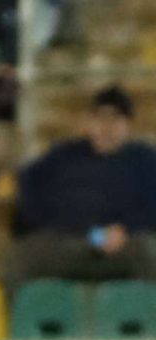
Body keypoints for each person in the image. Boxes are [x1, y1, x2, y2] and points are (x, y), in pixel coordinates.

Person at [9, 86, 156, 287]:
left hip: (123, 245)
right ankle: (29, 318)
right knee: (22, 257)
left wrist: (126, 229)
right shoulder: (63, 155)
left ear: (129, 125)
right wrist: (49, 223)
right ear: (89, 122)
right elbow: (27, 183)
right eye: (100, 119)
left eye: (116, 119)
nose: (107, 127)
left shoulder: (144, 159)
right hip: (68, 240)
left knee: (149, 251)